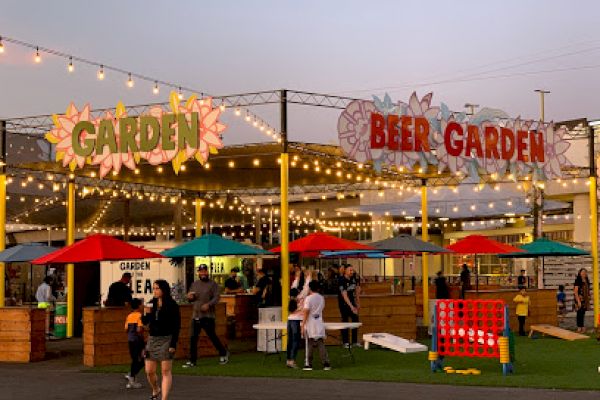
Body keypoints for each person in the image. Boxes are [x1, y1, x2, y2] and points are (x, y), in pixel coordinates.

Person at [184, 264, 229, 368]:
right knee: (193, 338)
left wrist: (209, 304)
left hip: (208, 316)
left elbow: (217, 297)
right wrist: (190, 297)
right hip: (196, 314)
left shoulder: (213, 284)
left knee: (212, 336)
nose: (203, 273)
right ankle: (192, 361)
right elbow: (191, 298)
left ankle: (223, 353)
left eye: (205, 271)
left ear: (207, 272)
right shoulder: (194, 284)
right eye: (201, 271)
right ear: (198, 273)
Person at [143, 279, 180, 400]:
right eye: (153, 288)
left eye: (157, 288)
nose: (154, 291)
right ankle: (155, 388)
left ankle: (164, 398)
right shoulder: (151, 303)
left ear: (163, 290)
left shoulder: (172, 305)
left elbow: (176, 326)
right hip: (153, 339)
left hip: (166, 339)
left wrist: (173, 344)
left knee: (165, 371)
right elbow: (145, 323)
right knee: (149, 370)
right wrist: (146, 314)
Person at [302, 280, 331, 371]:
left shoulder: (308, 299)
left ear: (310, 288)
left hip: (310, 323)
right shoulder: (321, 298)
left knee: (309, 343)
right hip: (319, 321)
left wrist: (302, 324)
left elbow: (306, 312)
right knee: (320, 342)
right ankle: (326, 363)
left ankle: (308, 364)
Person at [124, 298, 145, 389]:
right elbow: (139, 329)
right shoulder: (140, 315)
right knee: (144, 358)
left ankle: (132, 376)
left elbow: (126, 329)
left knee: (135, 359)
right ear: (139, 306)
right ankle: (132, 376)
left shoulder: (129, 316)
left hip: (130, 340)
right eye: (141, 304)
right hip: (138, 340)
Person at [338, 265, 360, 348]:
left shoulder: (354, 278)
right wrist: (351, 306)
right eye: (350, 270)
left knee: (355, 320)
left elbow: (357, 290)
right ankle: (345, 342)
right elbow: (344, 295)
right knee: (345, 321)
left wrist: (358, 303)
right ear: (345, 271)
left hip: (352, 302)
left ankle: (354, 341)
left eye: (352, 270)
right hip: (344, 303)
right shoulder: (341, 280)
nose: (352, 272)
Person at [286, 288, 303, 368]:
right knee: (295, 342)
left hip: (289, 321)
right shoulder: (300, 301)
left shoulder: (290, 301)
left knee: (290, 341)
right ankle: (292, 360)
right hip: (296, 322)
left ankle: (288, 360)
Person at [574, 268, 590, 333]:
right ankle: (579, 328)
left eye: (585, 272)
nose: (584, 273)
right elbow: (575, 291)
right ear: (579, 273)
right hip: (579, 298)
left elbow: (588, 289)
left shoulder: (586, 280)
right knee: (579, 313)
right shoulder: (577, 280)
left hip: (585, 299)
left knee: (583, 313)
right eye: (582, 272)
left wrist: (589, 296)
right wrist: (578, 301)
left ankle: (582, 327)